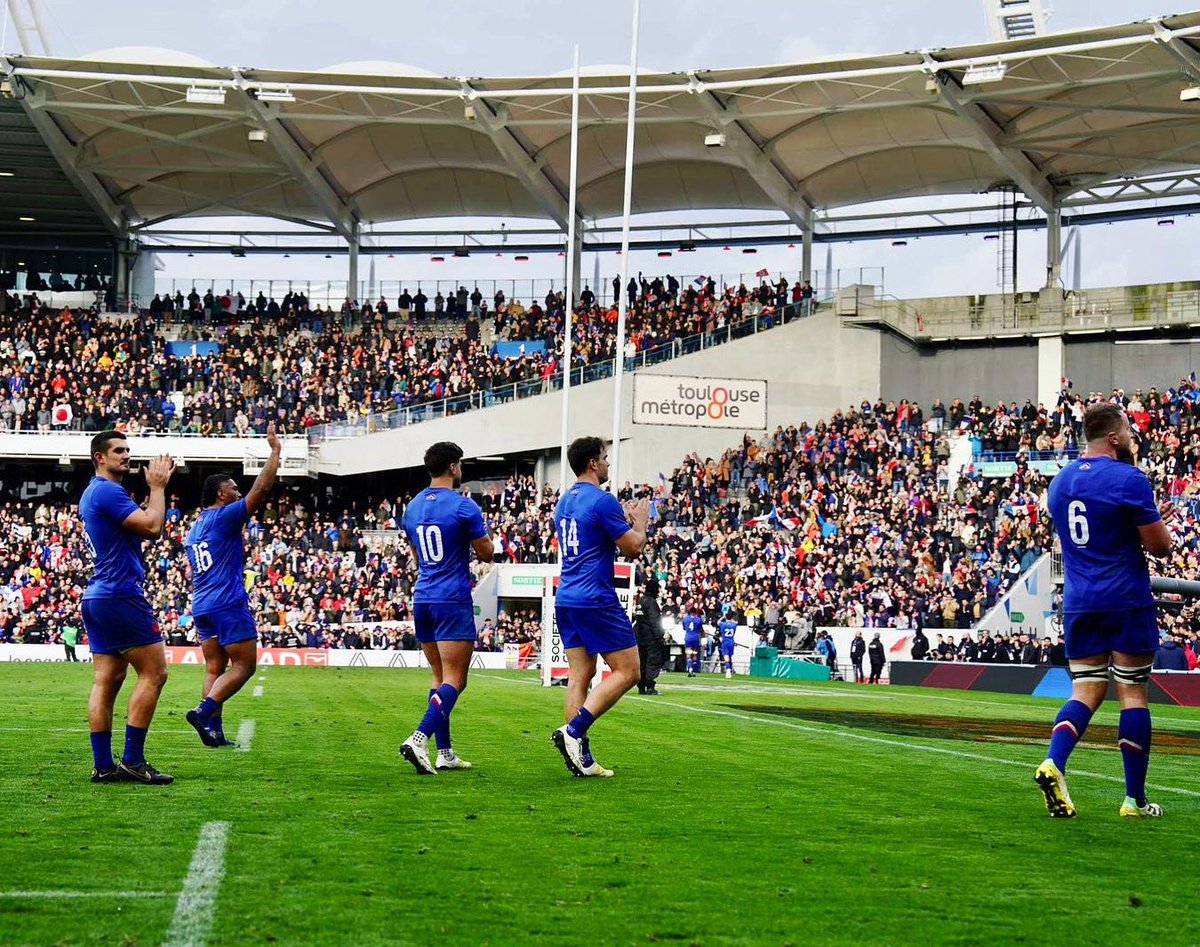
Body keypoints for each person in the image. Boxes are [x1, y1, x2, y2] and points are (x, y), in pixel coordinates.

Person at [1037, 404, 1175, 819]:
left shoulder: (1059, 482)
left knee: (1086, 689)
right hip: (1126, 598)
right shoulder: (1129, 479)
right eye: (1129, 431)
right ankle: (1134, 800)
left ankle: (1053, 763)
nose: (1134, 436)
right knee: (1132, 692)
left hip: (1079, 602)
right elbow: (1160, 547)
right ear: (1114, 437)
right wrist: (1155, 522)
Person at [80, 431, 176, 785]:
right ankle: (133, 761)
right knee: (154, 673)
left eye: (127, 450)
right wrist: (158, 487)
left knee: (107, 680)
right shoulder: (107, 491)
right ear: (99, 458)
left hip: (97, 595)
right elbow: (152, 527)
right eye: (118, 451)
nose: (126, 455)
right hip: (120, 594)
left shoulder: (92, 493)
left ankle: (103, 765)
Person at [550, 436, 648, 778]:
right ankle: (573, 732)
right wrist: (640, 520)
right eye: (604, 458)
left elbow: (590, 535)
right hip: (595, 597)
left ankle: (583, 758)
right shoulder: (602, 500)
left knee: (580, 675)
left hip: (567, 596)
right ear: (593, 463)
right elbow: (634, 548)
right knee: (629, 671)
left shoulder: (563, 502)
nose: (607, 464)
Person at [183, 424, 282, 748]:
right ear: (221, 494)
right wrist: (275, 453)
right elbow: (261, 492)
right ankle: (204, 711)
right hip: (227, 602)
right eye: (234, 488)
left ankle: (215, 731)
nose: (239, 492)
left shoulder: (194, 529)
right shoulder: (225, 516)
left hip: (202, 604)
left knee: (215, 667)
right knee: (244, 666)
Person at [399, 442, 494, 775]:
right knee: (456, 679)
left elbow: (415, 555)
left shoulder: (411, 507)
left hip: (423, 596)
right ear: (454, 467)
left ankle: (446, 752)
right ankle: (419, 737)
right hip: (451, 598)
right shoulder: (464, 507)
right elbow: (486, 553)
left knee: (439, 678)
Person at [634, 577, 664, 695]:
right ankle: (650, 686)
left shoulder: (641, 600)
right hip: (651, 637)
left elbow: (638, 618)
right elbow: (655, 621)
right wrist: (659, 636)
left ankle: (641, 686)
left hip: (640, 636)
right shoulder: (651, 602)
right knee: (653, 660)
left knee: (642, 660)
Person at [682, 607, 704, 677]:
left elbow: (684, 628)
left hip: (688, 637)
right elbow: (701, 629)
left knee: (688, 654)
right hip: (696, 638)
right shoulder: (699, 619)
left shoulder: (685, 619)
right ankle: (693, 670)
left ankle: (690, 669)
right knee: (694, 654)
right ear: (695, 612)